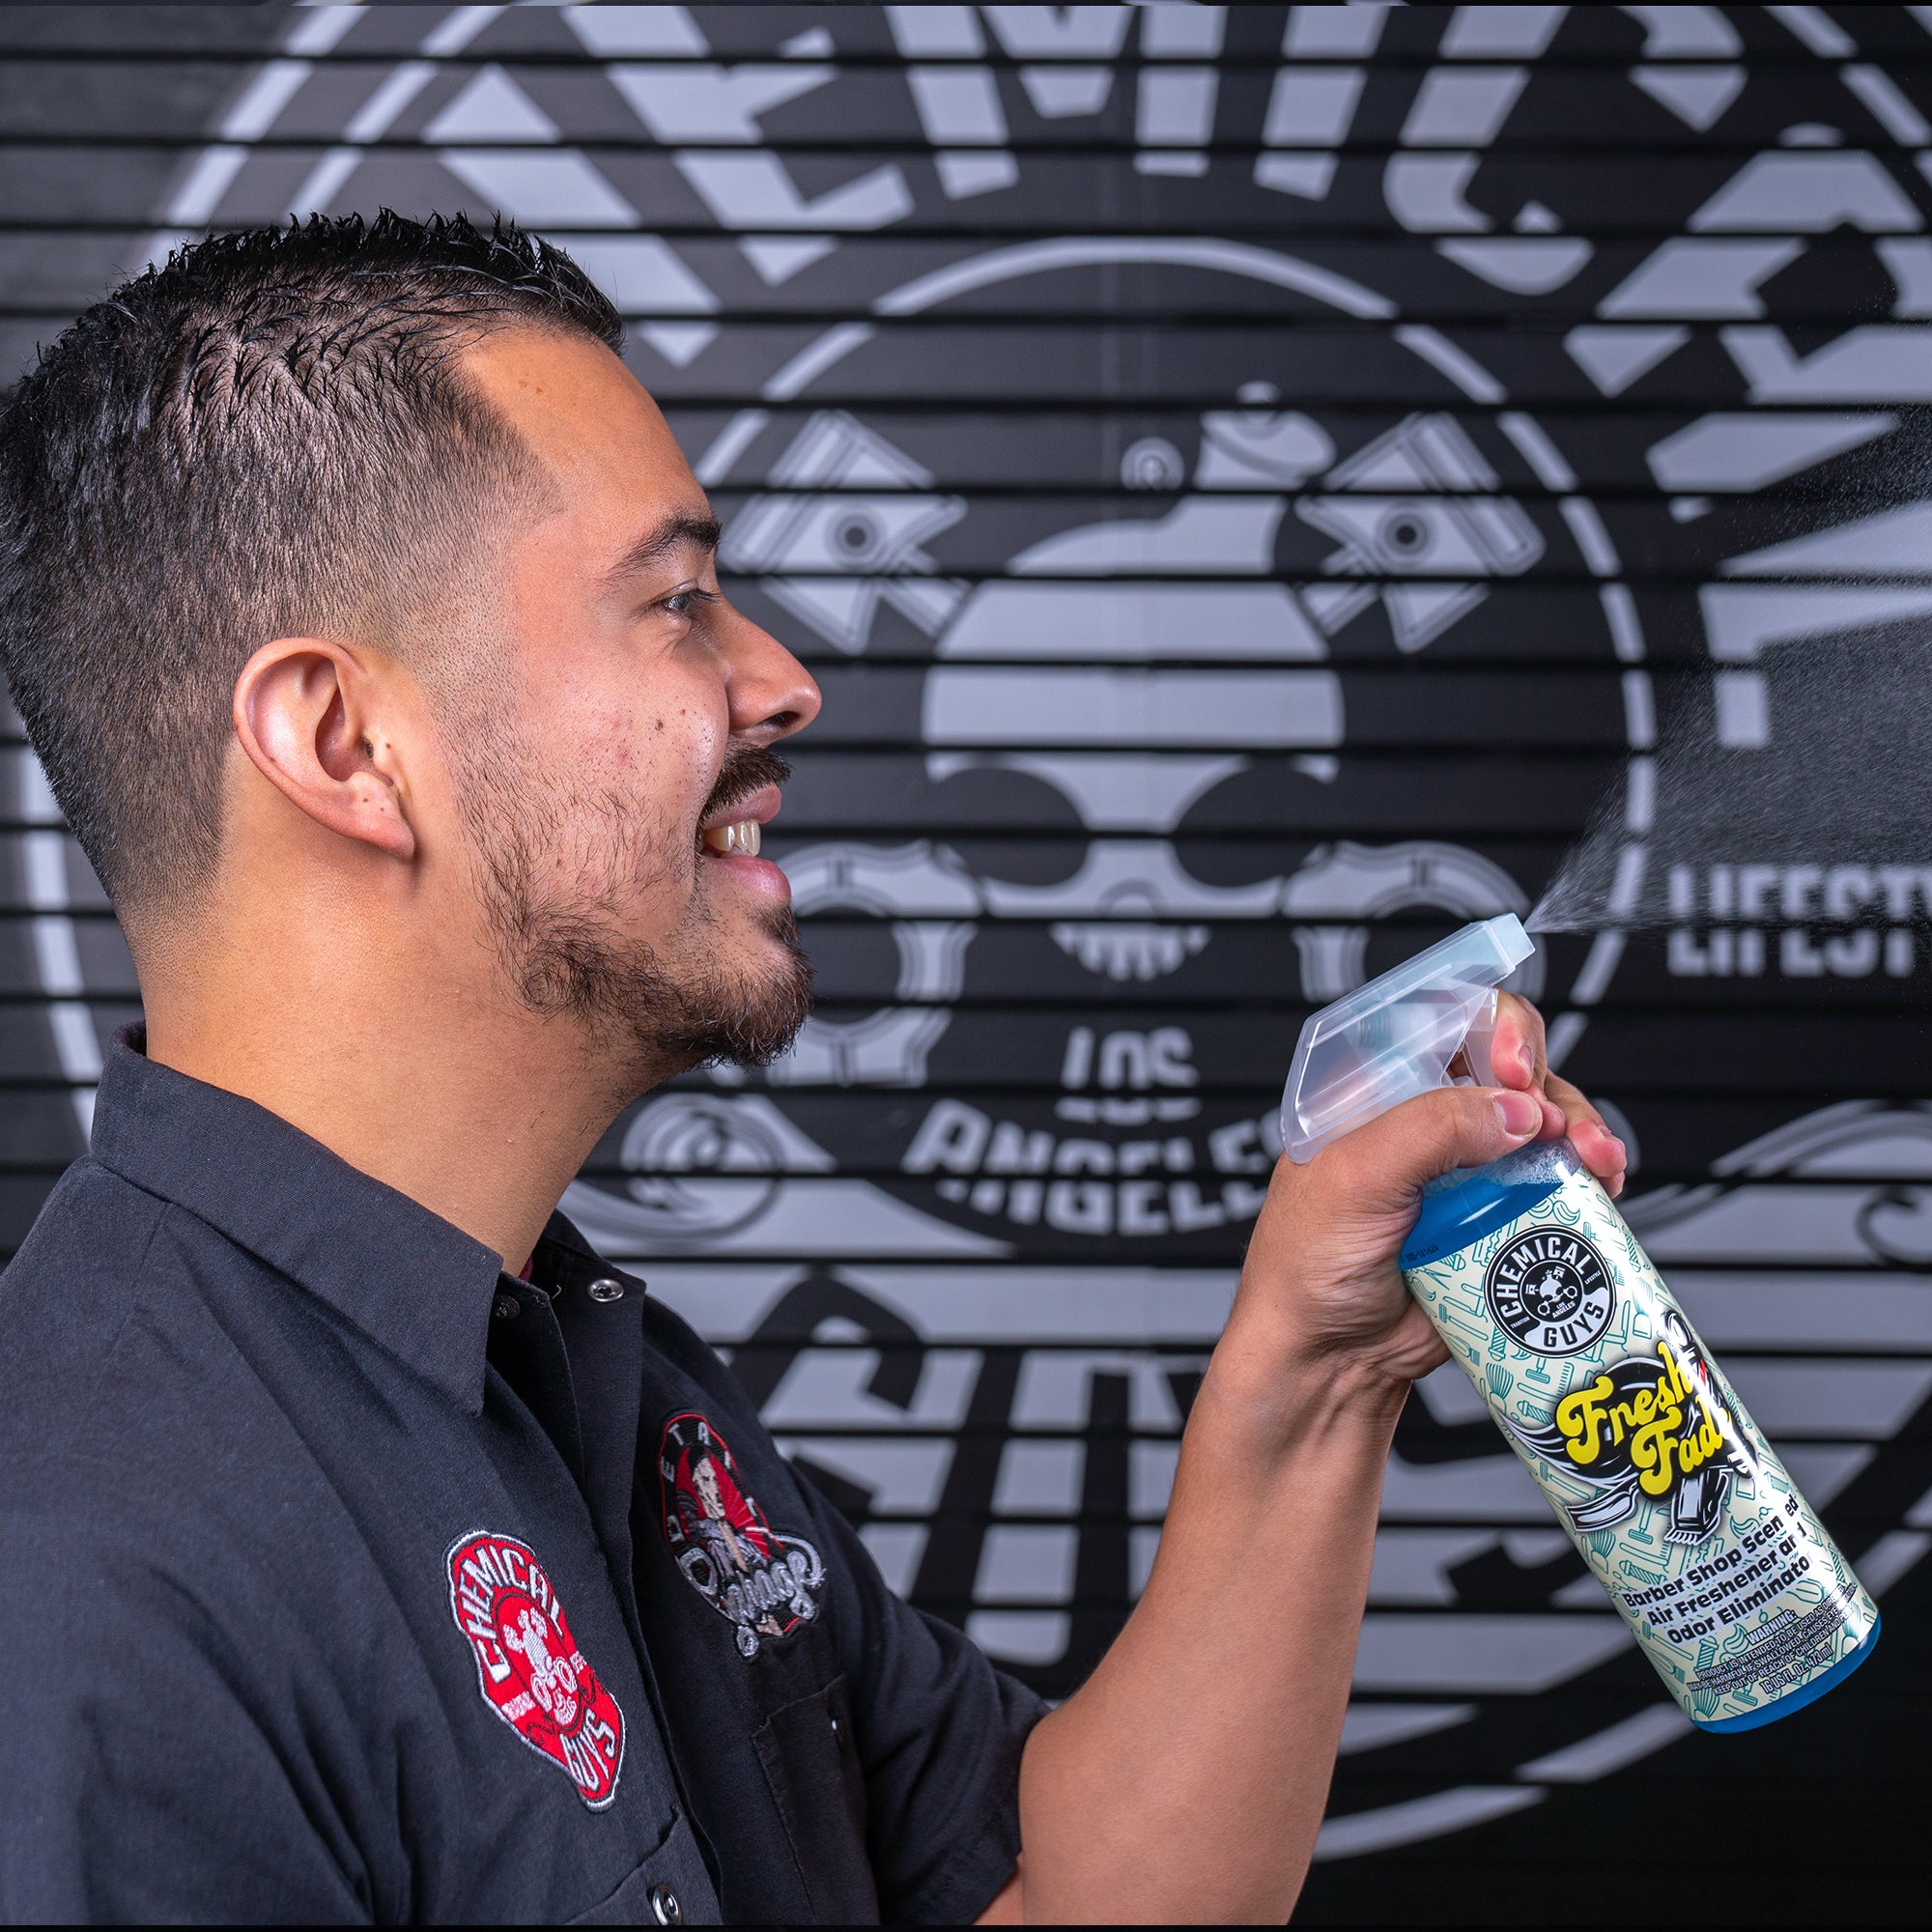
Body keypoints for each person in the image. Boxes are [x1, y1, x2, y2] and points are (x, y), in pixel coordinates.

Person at [0, 213, 1626, 1924]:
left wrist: (1320, 1376)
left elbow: (1056, 1900)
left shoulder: (599, 1379)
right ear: (348, 744)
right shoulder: (95, 1588)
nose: (784, 682)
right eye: (677, 603)